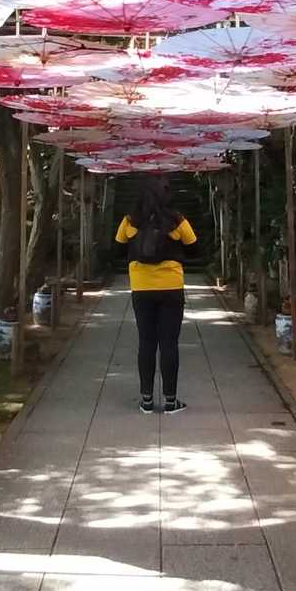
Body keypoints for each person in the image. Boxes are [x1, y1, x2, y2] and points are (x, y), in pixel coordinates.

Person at [115, 177, 196, 414]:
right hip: (171, 287)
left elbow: (117, 249)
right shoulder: (177, 220)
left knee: (146, 342)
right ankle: (171, 401)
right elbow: (194, 248)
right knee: (169, 343)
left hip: (141, 287)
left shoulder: (130, 220)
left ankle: (146, 400)